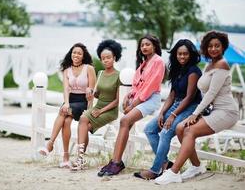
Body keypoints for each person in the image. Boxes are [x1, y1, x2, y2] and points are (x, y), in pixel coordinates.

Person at [155, 31, 240, 185]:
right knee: (181, 128)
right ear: (205, 48)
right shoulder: (210, 65)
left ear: (223, 47)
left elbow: (211, 94)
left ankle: (174, 172)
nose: (213, 49)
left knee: (190, 130)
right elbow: (203, 92)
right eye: (210, 46)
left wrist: (194, 114)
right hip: (214, 110)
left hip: (227, 111)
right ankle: (197, 166)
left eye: (217, 46)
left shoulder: (222, 64)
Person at [133, 39, 202, 180]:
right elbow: (172, 95)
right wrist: (162, 113)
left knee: (165, 133)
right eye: (179, 54)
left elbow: (189, 97)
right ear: (175, 55)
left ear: (191, 55)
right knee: (150, 129)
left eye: (185, 54)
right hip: (176, 104)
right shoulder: (176, 69)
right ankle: (165, 163)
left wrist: (173, 115)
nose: (182, 57)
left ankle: (155, 170)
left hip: (191, 106)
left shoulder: (194, 71)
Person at [98, 34, 165, 176]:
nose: (144, 47)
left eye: (147, 44)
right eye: (142, 45)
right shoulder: (143, 63)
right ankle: (114, 161)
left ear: (154, 46)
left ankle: (117, 162)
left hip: (151, 99)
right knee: (125, 123)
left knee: (124, 120)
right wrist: (129, 95)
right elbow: (137, 84)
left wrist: (133, 104)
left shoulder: (158, 61)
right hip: (140, 98)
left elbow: (150, 86)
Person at [38, 43, 96, 168]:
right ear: (71, 54)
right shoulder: (67, 69)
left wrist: (90, 100)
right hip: (70, 100)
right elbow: (65, 89)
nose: (76, 55)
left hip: (84, 101)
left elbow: (92, 89)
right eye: (74, 52)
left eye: (79, 53)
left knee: (62, 112)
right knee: (66, 122)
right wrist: (66, 102)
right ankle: (66, 158)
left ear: (83, 55)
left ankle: (50, 144)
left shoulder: (89, 68)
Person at [70, 39, 123, 171]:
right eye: (103, 58)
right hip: (98, 106)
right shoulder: (100, 74)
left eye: (108, 58)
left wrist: (100, 111)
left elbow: (117, 100)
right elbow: (98, 94)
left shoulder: (119, 75)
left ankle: (80, 158)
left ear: (114, 58)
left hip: (110, 110)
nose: (105, 60)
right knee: (84, 122)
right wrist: (92, 93)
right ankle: (80, 158)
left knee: (83, 122)